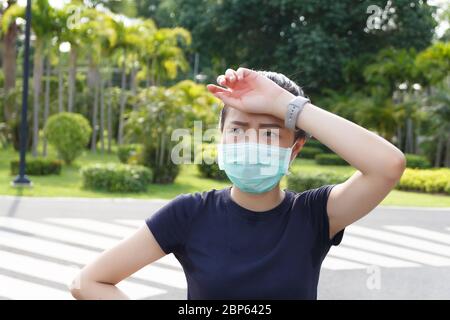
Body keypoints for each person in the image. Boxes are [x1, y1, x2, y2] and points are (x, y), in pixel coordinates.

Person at [70, 67, 406, 300]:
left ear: (295, 149)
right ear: (221, 138)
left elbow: (387, 166)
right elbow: (88, 281)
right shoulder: (189, 214)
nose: (252, 141)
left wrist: (285, 105)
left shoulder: (314, 215)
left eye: (270, 132)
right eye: (238, 129)